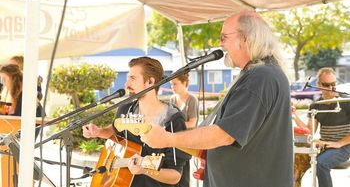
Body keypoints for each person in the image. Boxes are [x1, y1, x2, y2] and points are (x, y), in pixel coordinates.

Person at [141, 11, 294, 187]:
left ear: (246, 38)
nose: (220, 44)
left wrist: (168, 139)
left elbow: (225, 134)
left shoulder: (260, 77)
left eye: (224, 37)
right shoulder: (262, 73)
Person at [82, 57, 191, 187]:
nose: (126, 84)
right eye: (128, 78)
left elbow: (175, 176)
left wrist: (145, 170)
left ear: (150, 81)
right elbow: (117, 135)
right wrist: (99, 132)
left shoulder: (172, 119)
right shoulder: (126, 109)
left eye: (132, 78)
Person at [292, 67, 350, 187]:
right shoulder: (316, 105)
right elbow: (309, 131)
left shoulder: (346, 101)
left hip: (345, 146)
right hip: (326, 146)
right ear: (318, 85)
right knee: (295, 162)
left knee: (321, 163)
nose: (330, 88)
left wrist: (339, 143)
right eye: (326, 85)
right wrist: (294, 115)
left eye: (333, 84)